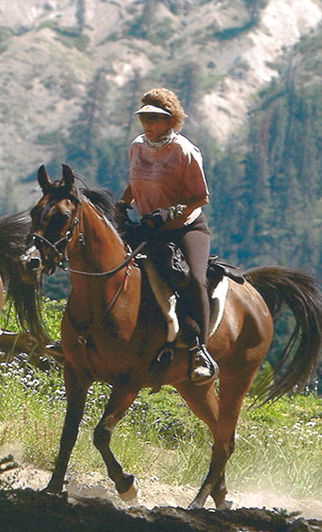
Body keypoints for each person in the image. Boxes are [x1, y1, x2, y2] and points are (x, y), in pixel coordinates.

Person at [119, 88, 218, 385]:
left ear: (171, 120)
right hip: (148, 225)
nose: (149, 123)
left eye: (156, 118)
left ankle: (201, 350)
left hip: (186, 228)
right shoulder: (137, 146)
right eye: (145, 117)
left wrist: (172, 212)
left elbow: (201, 196)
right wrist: (122, 205)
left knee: (196, 280)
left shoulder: (184, 150)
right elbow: (135, 183)